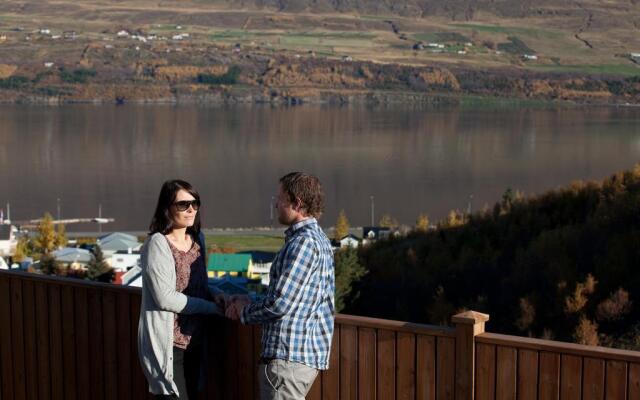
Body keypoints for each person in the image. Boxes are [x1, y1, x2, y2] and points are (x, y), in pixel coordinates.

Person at [226, 172, 335, 400]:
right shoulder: (317, 240)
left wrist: (244, 312)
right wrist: (251, 301)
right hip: (295, 361)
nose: (276, 204)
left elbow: (280, 303)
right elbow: (291, 299)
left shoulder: (304, 243)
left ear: (296, 203)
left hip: (288, 362)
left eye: (280, 198)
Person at [138, 179, 222, 399]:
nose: (191, 209)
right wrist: (211, 308)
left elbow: (198, 287)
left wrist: (219, 296)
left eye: (195, 203)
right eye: (183, 204)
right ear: (167, 208)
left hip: (196, 342)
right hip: (170, 346)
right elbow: (165, 298)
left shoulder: (197, 240)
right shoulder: (158, 244)